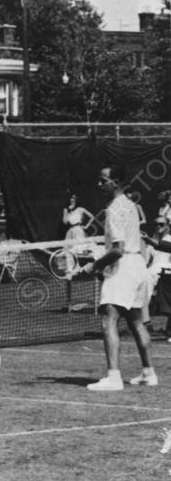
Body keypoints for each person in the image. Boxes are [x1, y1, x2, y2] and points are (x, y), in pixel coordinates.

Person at [83, 166, 156, 390]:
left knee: (109, 318)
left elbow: (117, 250)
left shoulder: (114, 209)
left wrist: (94, 265)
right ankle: (148, 373)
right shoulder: (131, 205)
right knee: (136, 321)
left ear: (115, 182)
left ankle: (113, 377)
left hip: (123, 268)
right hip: (138, 266)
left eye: (102, 181)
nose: (99, 185)